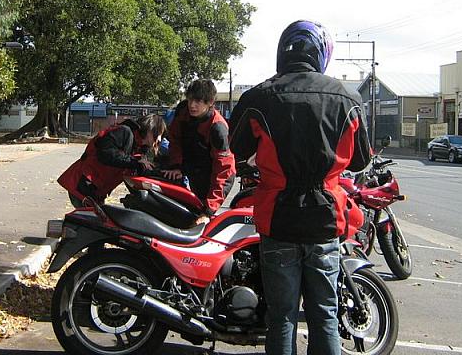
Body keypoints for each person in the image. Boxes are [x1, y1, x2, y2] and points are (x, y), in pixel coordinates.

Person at [229, 20, 371, 355]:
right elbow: (361, 160)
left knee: (282, 318)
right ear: (320, 53)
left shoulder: (259, 96)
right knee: (324, 315)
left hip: (278, 219)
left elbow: (236, 148)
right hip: (325, 221)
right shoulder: (346, 96)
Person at [162, 79, 235, 225]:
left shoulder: (218, 128)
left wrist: (208, 210)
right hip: (189, 165)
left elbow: (224, 172)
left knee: (199, 219)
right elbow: (175, 139)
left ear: (210, 102)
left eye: (198, 101)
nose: (192, 105)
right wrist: (177, 166)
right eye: (190, 100)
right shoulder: (183, 111)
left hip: (209, 175)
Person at [57, 114, 165, 207]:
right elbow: (106, 154)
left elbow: (133, 170)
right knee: (92, 226)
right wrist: (135, 163)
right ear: (151, 129)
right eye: (158, 134)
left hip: (95, 191)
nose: (159, 139)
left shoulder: (139, 147)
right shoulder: (124, 132)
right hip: (83, 187)